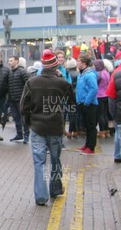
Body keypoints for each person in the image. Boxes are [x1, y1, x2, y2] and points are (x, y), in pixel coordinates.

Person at [21, 49, 75, 206]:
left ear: (43, 65)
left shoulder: (32, 82)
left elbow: (24, 106)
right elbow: (72, 104)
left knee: (39, 162)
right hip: (56, 127)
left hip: (37, 126)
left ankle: (41, 196)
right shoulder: (63, 83)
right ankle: (55, 189)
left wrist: (29, 122)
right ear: (56, 66)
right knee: (55, 159)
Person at [75, 54, 99, 155]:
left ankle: (91, 147)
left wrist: (86, 102)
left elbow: (94, 89)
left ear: (84, 63)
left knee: (91, 126)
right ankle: (87, 144)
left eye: (78, 61)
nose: (77, 63)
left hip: (89, 104)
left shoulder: (89, 75)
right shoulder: (81, 74)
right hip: (83, 103)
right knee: (86, 126)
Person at [8, 55, 30, 143]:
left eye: (11, 60)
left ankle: (26, 135)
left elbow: (28, 84)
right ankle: (19, 134)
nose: (9, 62)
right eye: (9, 61)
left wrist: (25, 97)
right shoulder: (10, 72)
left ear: (17, 61)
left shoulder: (22, 72)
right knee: (16, 118)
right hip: (12, 99)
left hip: (21, 100)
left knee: (23, 118)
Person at [106, 63, 121, 163]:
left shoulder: (116, 74)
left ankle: (118, 155)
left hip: (119, 111)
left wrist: (114, 114)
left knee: (118, 133)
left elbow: (111, 97)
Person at [94, 59, 111, 138]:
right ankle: (106, 130)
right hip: (106, 95)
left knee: (100, 114)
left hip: (99, 95)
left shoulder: (99, 74)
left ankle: (101, 131)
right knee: (105, 114)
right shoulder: (106, 72)